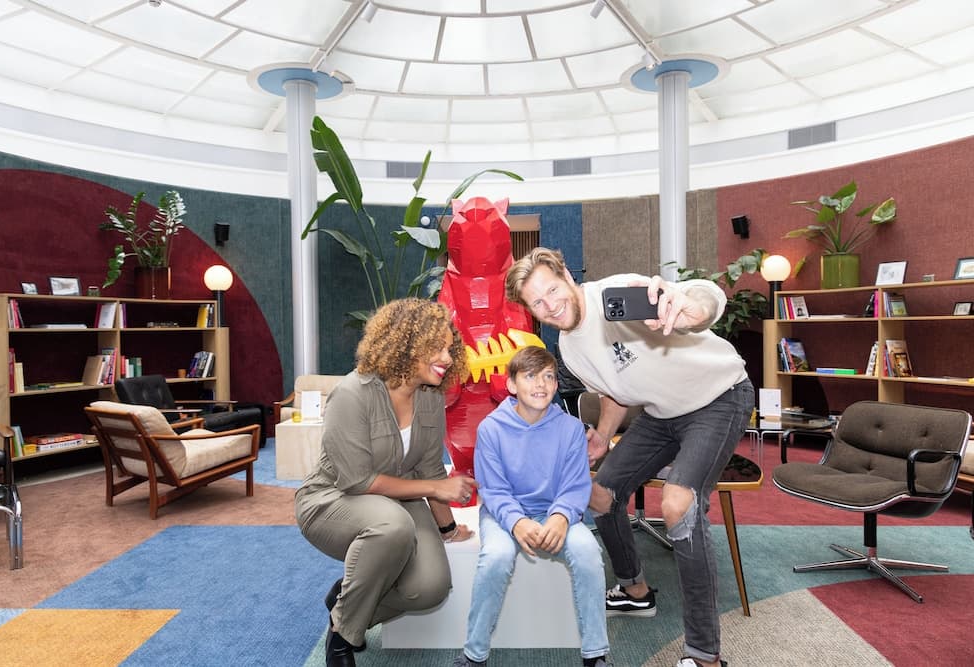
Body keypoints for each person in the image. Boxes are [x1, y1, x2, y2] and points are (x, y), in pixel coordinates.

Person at [505, 248, 753, 667]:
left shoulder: (617, 294)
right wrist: (602, 437)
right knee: (599, 494)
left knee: (678, 503)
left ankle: (704, 655)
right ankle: (634, 590)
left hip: (719, 398)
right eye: (537, 303)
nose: (550, 305)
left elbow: (702, 296)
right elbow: (614, 392)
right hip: (662, 415)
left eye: (552, 290)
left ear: (567, 275)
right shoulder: (569, 348)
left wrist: (693, 306)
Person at [294, 298, 479, 667]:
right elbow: (358, 481)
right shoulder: (352, 393)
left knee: (430, 588)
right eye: (437, 347)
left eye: (449, 348)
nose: (447, 357)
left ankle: (347, 603)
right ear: (406, 344)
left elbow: (430, 467)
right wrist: (435, 489)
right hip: (332, 499)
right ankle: (343, 636)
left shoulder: (430, 396)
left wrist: (447, 529)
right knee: (391, 525)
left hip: (399, 501)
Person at [453, 345, 612, 667]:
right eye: (530, 376)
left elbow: (575, 485)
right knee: (495, 557)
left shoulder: (570, 428)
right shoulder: (491, 429)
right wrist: (517, 522)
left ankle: (595, 654)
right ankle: (474, 655)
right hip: (503, 515)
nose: (541, 384)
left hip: (555, 512)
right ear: (512, 385)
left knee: (588, 553)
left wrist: (561, 516)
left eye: (548, 376)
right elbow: (494, 490)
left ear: (556, 385)